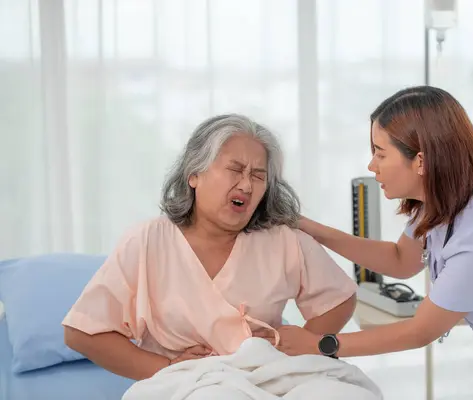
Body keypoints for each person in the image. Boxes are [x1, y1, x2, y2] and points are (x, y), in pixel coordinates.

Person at [256, 86, 473, 400]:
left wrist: (321, 345)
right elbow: (400, 260)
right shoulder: (442, 203)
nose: (371, 165)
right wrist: (307, 227)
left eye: (380, 152)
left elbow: (420, 331)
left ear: (420, 160)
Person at [62, 114, 358, 382]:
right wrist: (166, 367)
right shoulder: (148, 240)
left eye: (258, 175)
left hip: (270, 378)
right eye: (235, 169)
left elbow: (338, 298)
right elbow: (83, 332)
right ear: (194, 174)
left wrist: (303, 342)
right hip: (187, 385)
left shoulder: (282, 239)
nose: (246, 185)